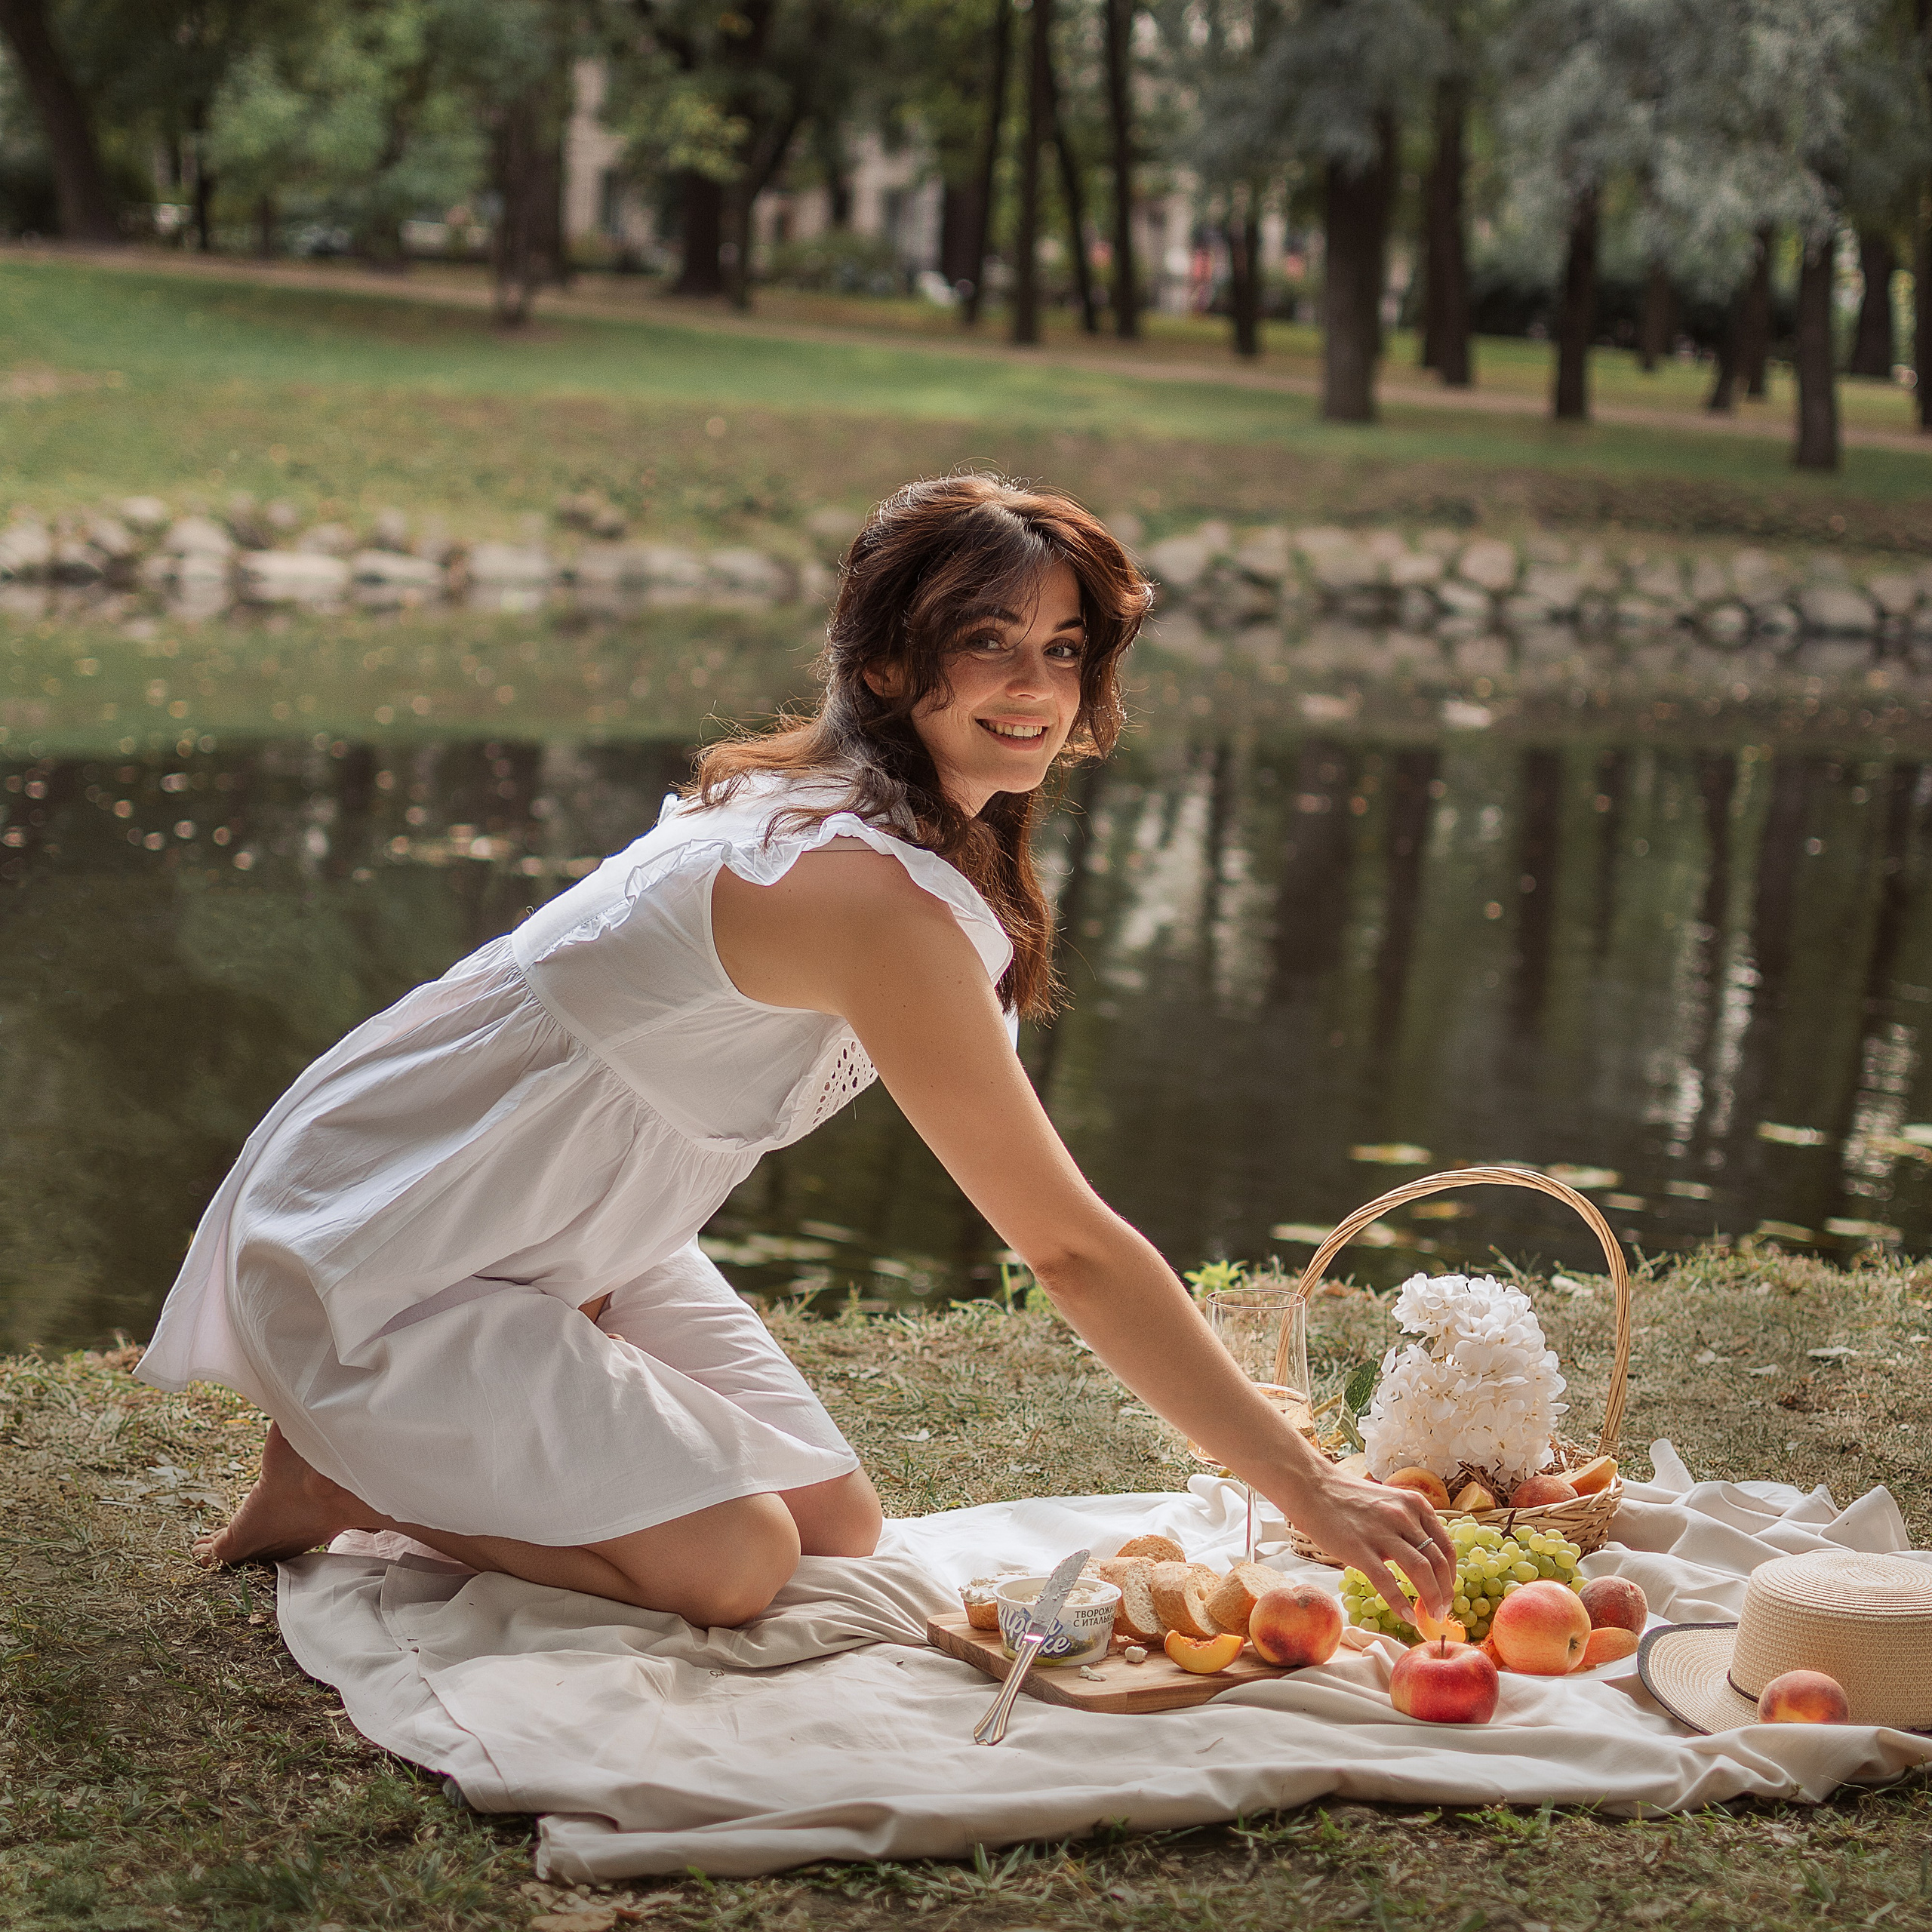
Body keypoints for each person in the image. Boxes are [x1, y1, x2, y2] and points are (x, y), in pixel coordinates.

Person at [140, 474, 1454, 1629]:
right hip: (392, 1241)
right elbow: (1065, 1245)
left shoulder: (872, 823)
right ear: (885, 663)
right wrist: (1297, 1483)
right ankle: (343, 1471)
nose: (1035, 687)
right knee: (738, 1564)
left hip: (553, 1228)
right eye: (986, 642)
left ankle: (405, 1439)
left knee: (839, 1530)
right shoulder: (852, 888)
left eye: (1064, 649)